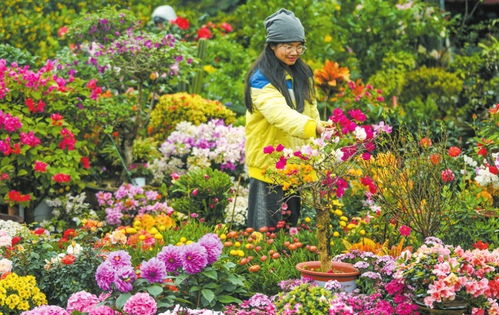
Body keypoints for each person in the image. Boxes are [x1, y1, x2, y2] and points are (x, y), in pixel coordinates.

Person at [244, 8, 325, 229]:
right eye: (288, 46)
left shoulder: (302, 75)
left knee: (292, 233)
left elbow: (311, 112)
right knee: (264, 235)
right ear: (272, 46)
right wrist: (314, 128)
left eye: (299, 46)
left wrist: (319, 148)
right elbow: (280, 114)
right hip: (268, 168)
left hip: (296, 167)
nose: (294, 52)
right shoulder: (261, 78)